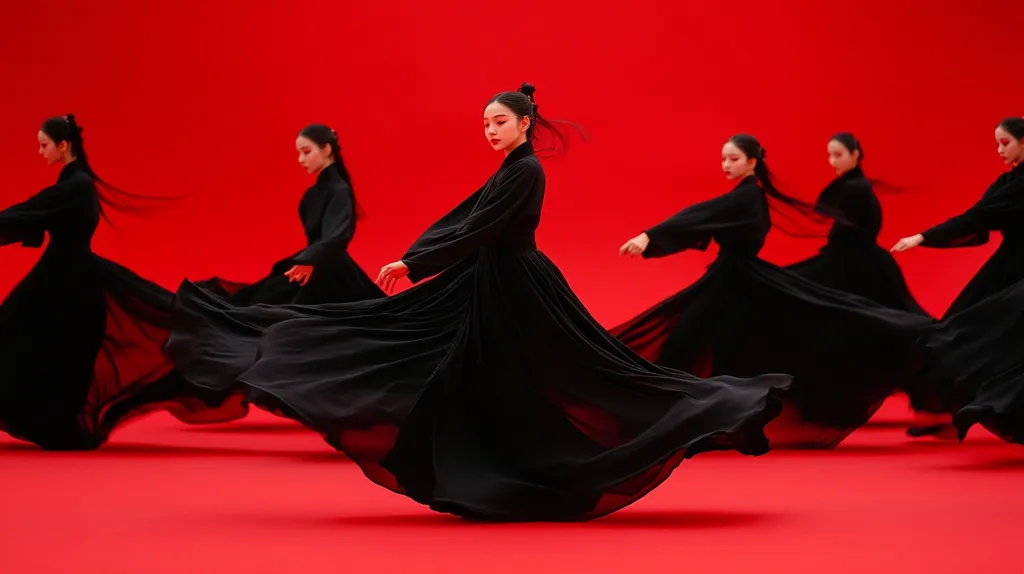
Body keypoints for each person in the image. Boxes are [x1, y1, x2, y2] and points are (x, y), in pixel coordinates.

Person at [226, 83, 791, 522]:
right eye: (485, 124)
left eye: (499, 122)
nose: (490, 131)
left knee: (585, 371)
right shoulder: (510, 169)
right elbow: (467, 218)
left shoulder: (527, 170)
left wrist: (417, 265)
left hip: (519, 285)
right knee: (490, 375)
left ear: (524, 123)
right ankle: (488, 474)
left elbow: (482, 228)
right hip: (492, 281)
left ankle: (704, 407)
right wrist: (417, 257)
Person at [614, 134, 933, 449]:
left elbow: (700, 213)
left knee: (690, 343)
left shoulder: (747, 197)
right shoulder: (749, 196)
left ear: (752, 163)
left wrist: (648, 237)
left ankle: (652, 418)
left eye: (734, 159)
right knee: (707, 347)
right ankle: (674, 419)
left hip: (735, 280)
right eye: (723, 159)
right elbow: (704, 216)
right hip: (733, 278)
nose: (726, 165)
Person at [0, 115, 235, 450]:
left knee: (33, 342)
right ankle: (56, 423)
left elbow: (26, 213)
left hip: (67, 280)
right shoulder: (75, 185)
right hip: (68, 276)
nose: (40, 152)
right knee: (45, 347)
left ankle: (57, 424)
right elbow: (32, 215)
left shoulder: (74, 186)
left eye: (44, 145)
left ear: (63, 145)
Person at [165, 124, 382, 403]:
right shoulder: (316, 192)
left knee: (302, 330)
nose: (301, 160)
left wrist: (309, 261)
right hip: (312, 268)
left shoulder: (338, 190)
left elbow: (336, 236)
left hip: (328, 273)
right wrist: (307, 261)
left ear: (327, 150)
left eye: (306, 152)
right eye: (299, 153)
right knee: (263, 313)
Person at [892, 117, 1024, 440]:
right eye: (997, 143)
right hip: (1007, 267)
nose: (999, 150)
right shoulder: (1006, 182)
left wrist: (923, 236)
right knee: (961, 333)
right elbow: (975, 216)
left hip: (1017, 273)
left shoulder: (1019, 187)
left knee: (995, 342)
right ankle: (952, 413)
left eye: (1005, 143)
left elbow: (976, 218)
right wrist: (926, 236)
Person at [787, 133, 927, 314]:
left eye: (838, 155)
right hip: (856, 262)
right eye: (830, 155)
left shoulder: (855, 187)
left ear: (855, 155)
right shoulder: (852, 185)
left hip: (856, 267)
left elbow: (859, 232)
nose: (832, 162)